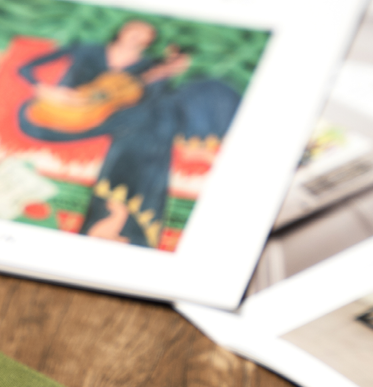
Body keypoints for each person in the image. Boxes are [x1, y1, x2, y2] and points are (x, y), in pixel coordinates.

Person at [15, 21, 240, 246]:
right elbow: (25, 68)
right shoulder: (89, 49)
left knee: (169, 110)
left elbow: (151, 97)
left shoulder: (148, 65)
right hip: (62, 116)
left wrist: (164, 72)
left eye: (145, 35)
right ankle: (132, 219)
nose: (138, 37)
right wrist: (44, 88)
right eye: (135, 30)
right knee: (150, 121)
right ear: (121, 30)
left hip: (121, 120)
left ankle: (121, 224)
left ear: (150, 41)